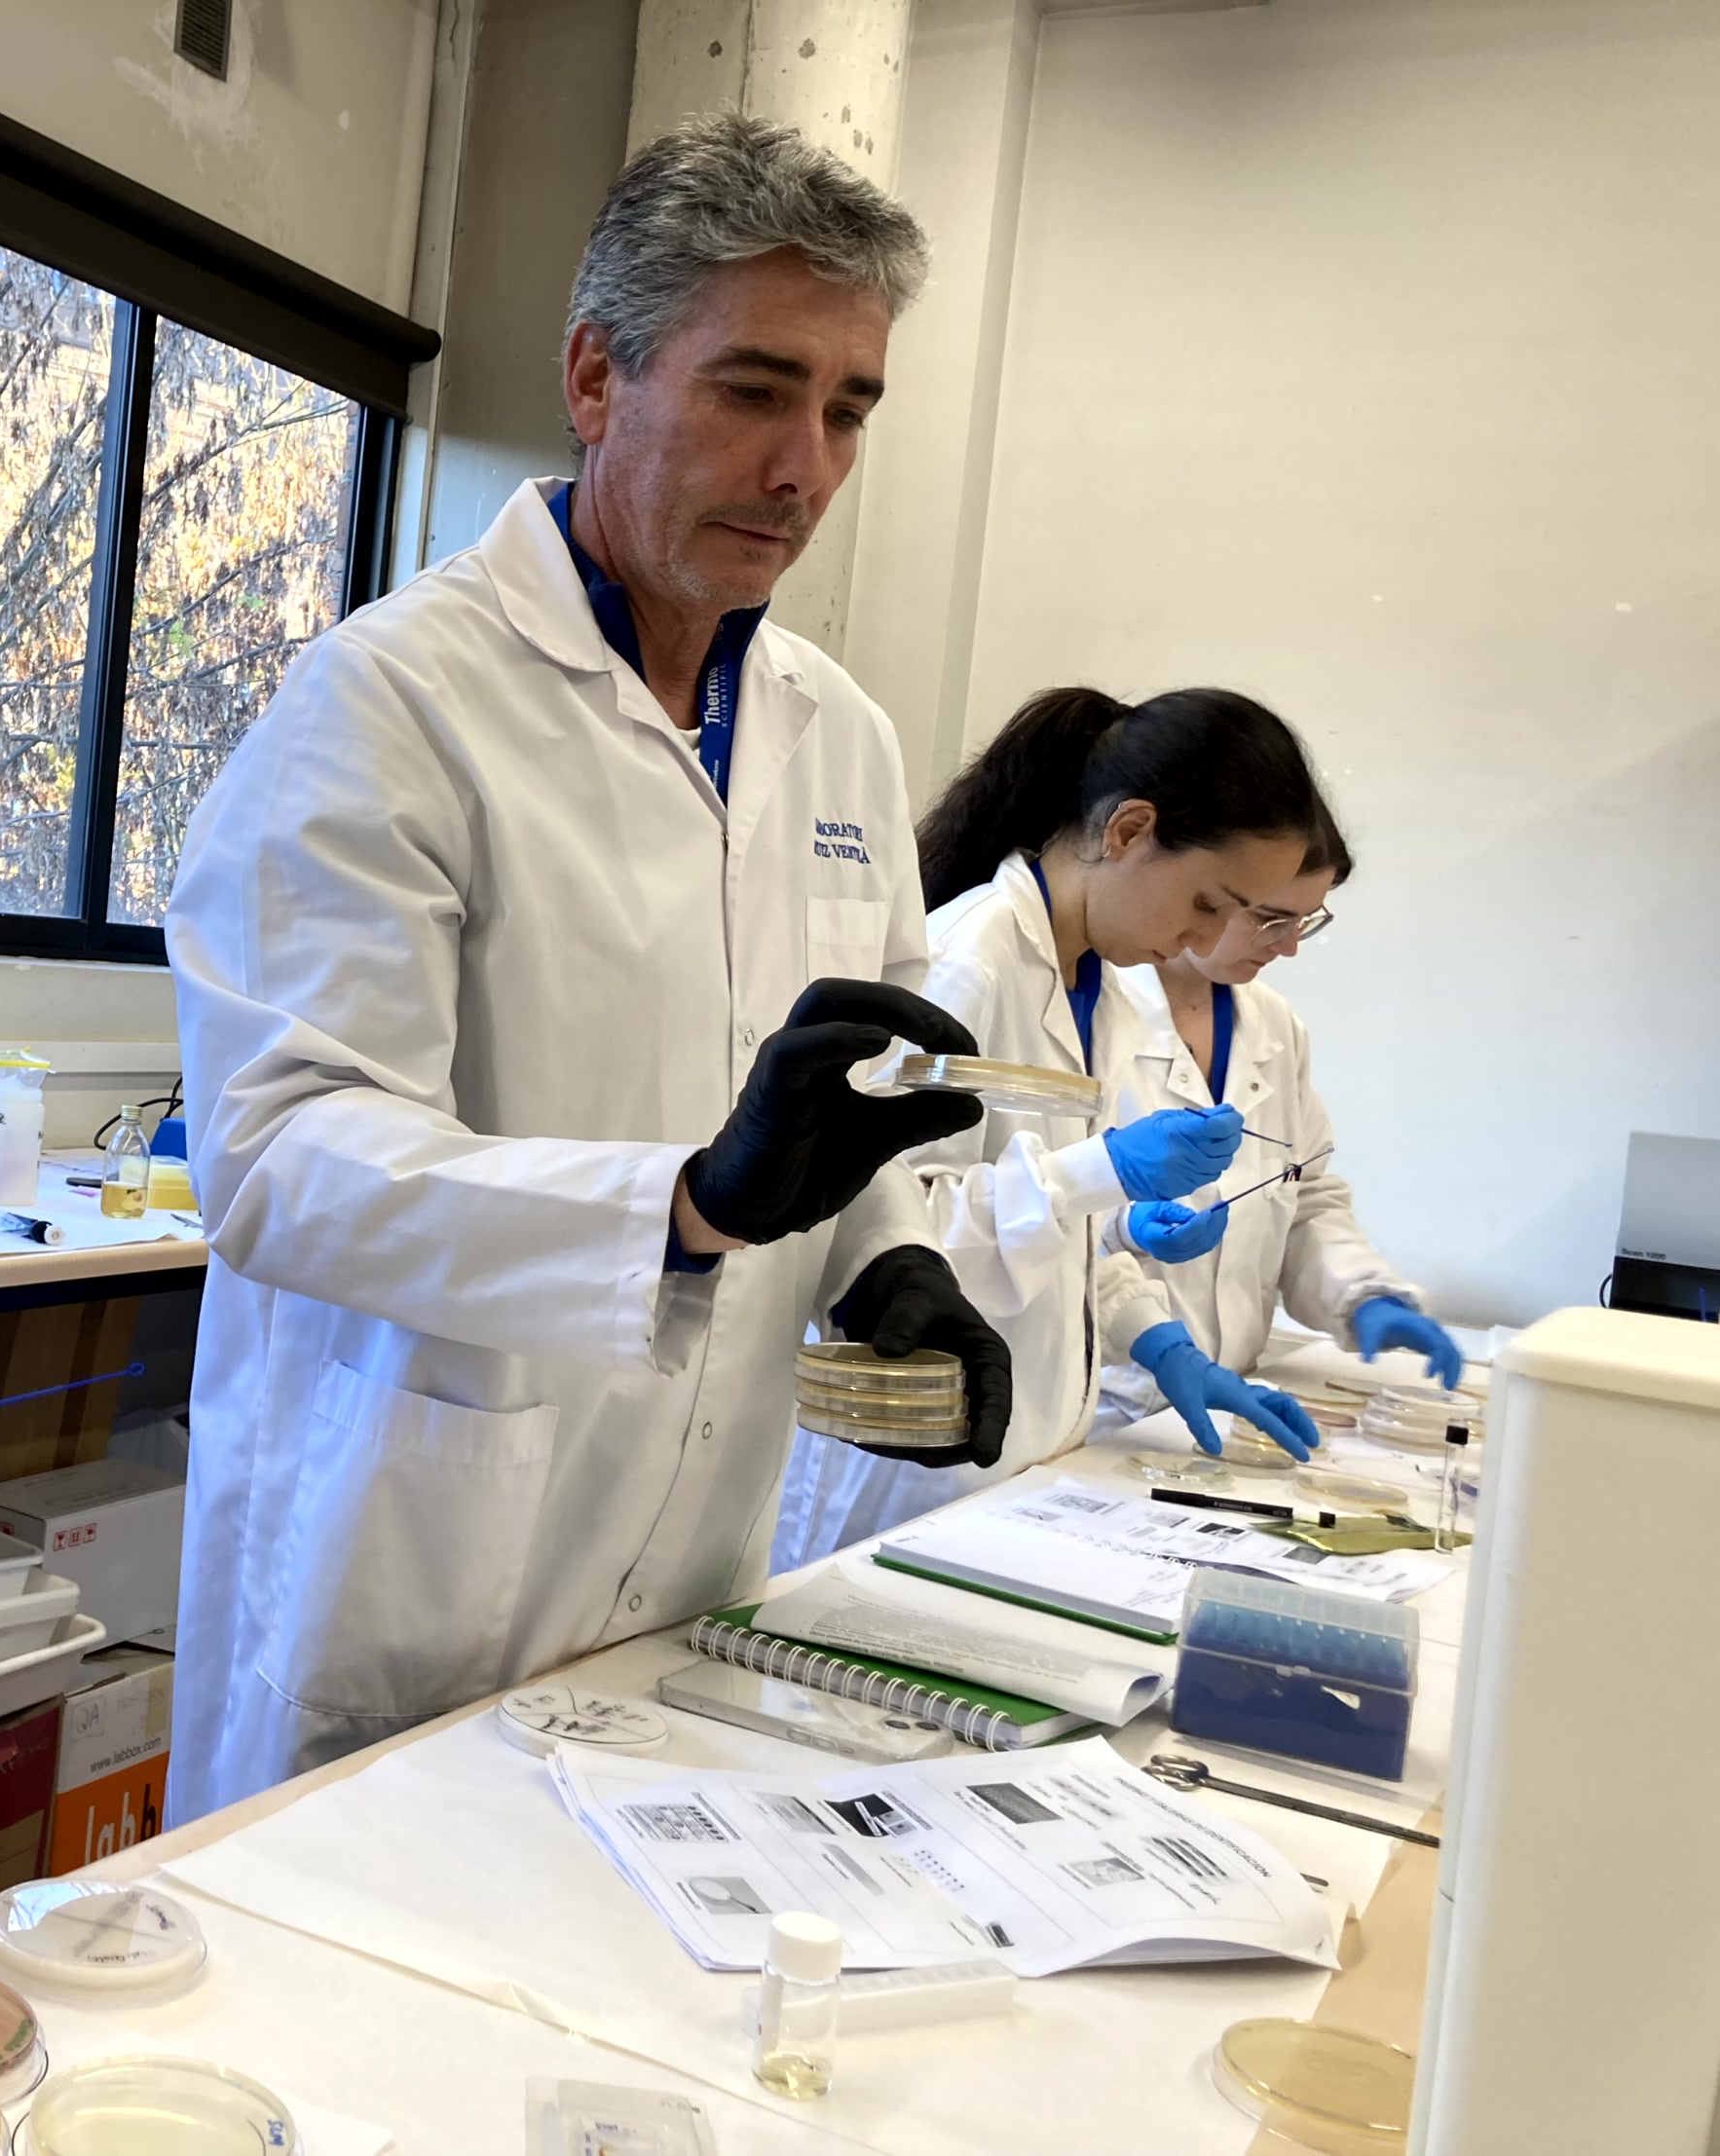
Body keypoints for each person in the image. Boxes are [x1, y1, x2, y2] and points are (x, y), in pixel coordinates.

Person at [164, 115, 1013, 1820]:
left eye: (848, 409)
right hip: (416, 1555)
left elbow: (855, 1111)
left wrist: (890, 1263)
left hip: (689, 1568)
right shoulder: (393, 702)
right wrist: (681, 1204)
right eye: (754, 389)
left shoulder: (837, 737)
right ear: (593, 377)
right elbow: (278, 1159)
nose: (804, 466)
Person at [776, 685, 1333, 1567]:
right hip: (905, 1468)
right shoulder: (965, 963)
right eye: (1207, 903)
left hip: (1020, 1455)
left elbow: (1053, 1237)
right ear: (1127, 831)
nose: (1207, 941)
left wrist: (1152, 1333)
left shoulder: (1103, 990)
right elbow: (879, 1235)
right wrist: (1100, 1172)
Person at [1094, 812, 1464, 1421]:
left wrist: (1361, 1294)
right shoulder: (1093, 1012)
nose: (1289, 945)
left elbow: (1303, 1195)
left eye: (1306, 921)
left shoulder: (1273, 1026)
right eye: (1271, 918)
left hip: (1235, 1397)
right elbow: (1032, 1210)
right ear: (1208, 892)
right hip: (1105, 1408)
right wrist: (1125, 1225)